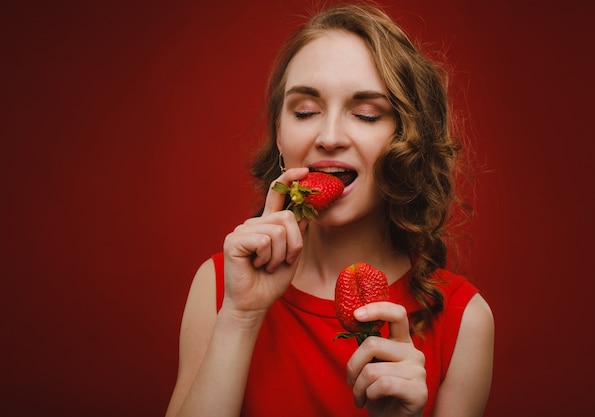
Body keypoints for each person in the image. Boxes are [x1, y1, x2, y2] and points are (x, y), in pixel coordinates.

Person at [165, 3, 494, 417]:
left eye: (366, 114)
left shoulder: (465, 320)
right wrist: (241, 317)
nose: (329, 135)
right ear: (280, 135)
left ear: (407, 140)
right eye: (305, 111)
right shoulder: (220, 287)